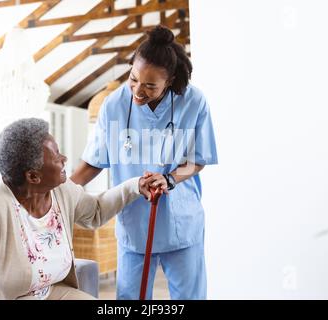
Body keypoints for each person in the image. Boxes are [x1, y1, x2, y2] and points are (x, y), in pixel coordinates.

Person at [0, 118, 166, 300]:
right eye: (57, 156)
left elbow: (96, 211)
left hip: (45, 293)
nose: (65, 159)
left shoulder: (60, 190)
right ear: (33, 176)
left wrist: (136, 186)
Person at [71, 25, 218, 300]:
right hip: (134, 224)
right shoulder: (113, 105)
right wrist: (60, 191)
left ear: (170, 80)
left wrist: (170, 178)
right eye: (133, 79)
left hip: (182, 223)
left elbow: (197, 160)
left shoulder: (193, 102)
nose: (138, 90)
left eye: (150, 85)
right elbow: (94, 160)